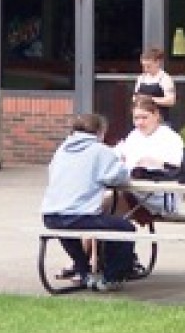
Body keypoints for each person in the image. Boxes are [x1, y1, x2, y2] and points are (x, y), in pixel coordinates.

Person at [41, 112, 135, 292]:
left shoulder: (61, 150)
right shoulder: (100, 151)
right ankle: (112, 276)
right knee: (125, 228)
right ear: (100, 132)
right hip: (80, 215)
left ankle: (83, 270)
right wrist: (122, 164)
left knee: (67, 230)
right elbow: (119, 177)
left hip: (50, 214)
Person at [110, 95, 185, 223]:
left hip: (160, 198)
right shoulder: (134, 135)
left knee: (107, 202)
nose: (140, 122)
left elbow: (177, 168)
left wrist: (157, 162)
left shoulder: (170, 137)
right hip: (133, 191)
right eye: (136, 118)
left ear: (156, 115)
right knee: (102, 202)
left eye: (144, 117)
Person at [134, 46, 175, 121]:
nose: (146, 69)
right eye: (144, 66)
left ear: (157, 63)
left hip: (160, 119)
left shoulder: (165, 78)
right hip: (142, 119)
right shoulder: (141, 78)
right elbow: (135, 97)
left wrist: (150, 99)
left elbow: (171, 100)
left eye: (149, 66)